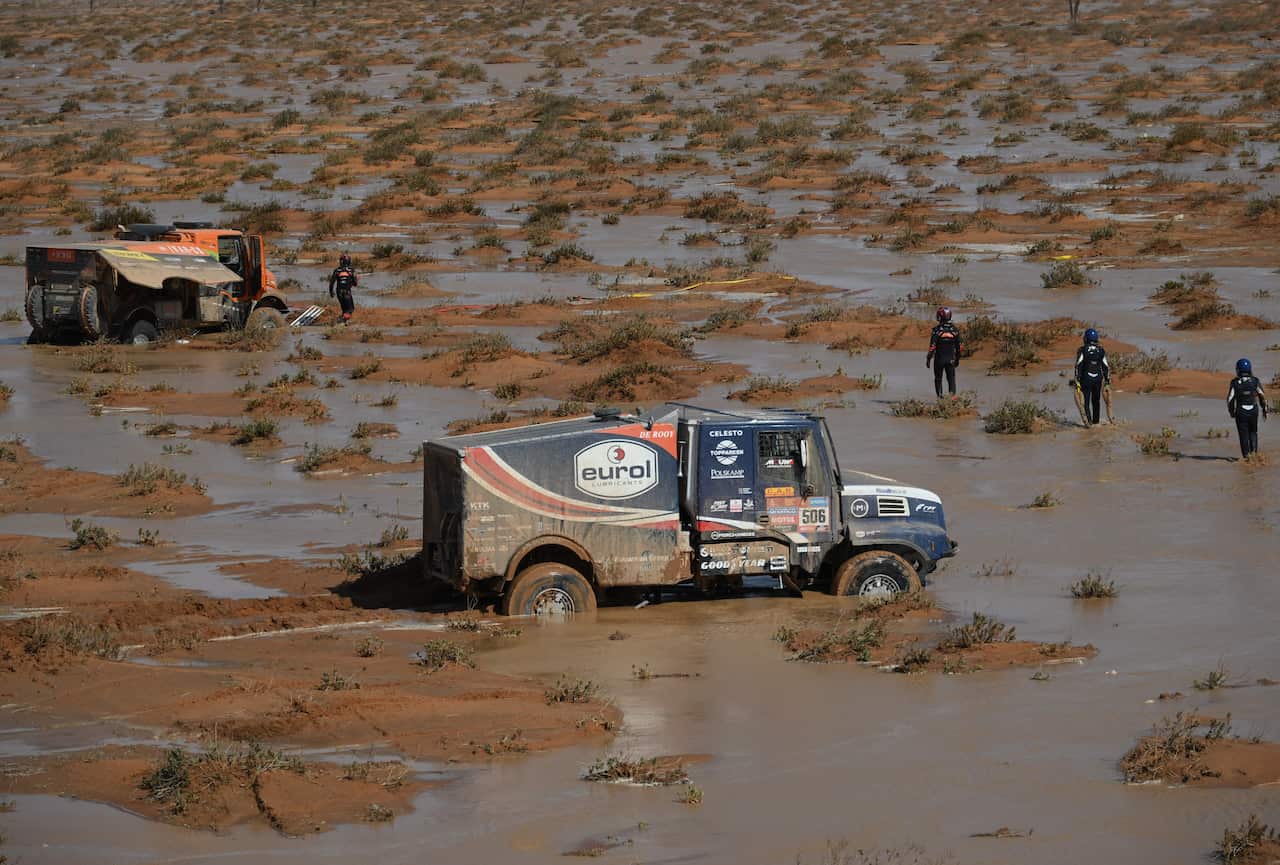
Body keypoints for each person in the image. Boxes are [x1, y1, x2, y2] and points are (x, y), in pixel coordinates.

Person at [1227, 358, 1267, 459]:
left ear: (1238, 370)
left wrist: (1231, 412)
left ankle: (1247, 458)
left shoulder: (1234, 383)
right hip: (1254, 410)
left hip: (1241, 412)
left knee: (1243, 435)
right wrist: (1264, 409)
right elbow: (1262, 396)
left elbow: (1230, 399)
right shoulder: (1255, 381)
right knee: (1253, 432)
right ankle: (1255, 455)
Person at [1073, 328, 1110, 426]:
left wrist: (1077, 380)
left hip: (1086, 379)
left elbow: (1078, 365)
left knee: (1085, 402)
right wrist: (1107, 381)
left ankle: (1089, 424)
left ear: (1086, 339)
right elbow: (1105, 366)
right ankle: (1096, 422)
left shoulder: (1082, 350)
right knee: (1096, 401)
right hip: (1098, 379)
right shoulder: (1101, 350)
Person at [926, 306, 962, 399]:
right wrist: (957, 359)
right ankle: (952, 399)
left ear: (940, 317)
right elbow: (960, 347)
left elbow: (932, 347)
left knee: (938, 379)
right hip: (951, 359)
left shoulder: (936, 330)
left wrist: (928, 359)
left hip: (939, 360)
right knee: (951, 380)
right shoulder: (955, 330)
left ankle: (940, 399)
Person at [328, 253, 358, 323]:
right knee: (350, 309)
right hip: (347, 292)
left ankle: (343, 322)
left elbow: (331, 282)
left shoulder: (337, 270)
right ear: (349, 261)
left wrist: (331, 292)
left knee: (344, 309)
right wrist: (354, 279)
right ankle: (341, 321)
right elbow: (355, 284)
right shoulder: (351, 270)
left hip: (339, 292)